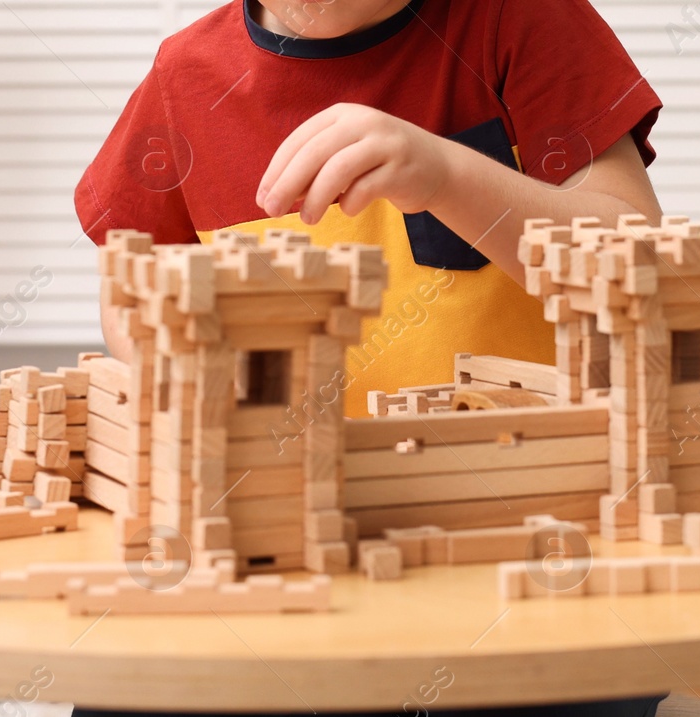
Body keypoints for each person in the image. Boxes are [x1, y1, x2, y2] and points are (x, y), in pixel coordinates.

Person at [71, 1, 666, 714]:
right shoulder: (185, 76)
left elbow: (634, 255)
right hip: (293, 543)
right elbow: (131, 283)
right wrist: (180, 372)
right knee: (130, 689)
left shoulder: (522, 19)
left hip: (522, 542)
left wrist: (448, 175)